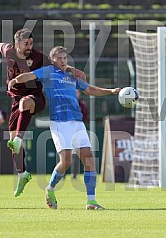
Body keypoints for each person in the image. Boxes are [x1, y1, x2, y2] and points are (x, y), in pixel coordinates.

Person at [0, 28, 86, 197]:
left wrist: (72, 70)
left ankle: (19, 138)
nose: (29, 46)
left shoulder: (39, 57)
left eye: (31, 43)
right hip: (16, 100)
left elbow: (58, 63)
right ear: (16, 43)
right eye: (26, 43)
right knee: (13, 145)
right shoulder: (8, 50)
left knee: (25, 104)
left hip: (36, 98)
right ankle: (22, 174)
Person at [8, 46, 121, 210]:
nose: (63, 61)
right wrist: (16, 80)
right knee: (66, 161)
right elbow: (31, 75)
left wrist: (110, 91)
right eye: (59, 58)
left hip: (77, 122)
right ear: (53, 60)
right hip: (60, 123)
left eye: (65, 58)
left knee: (88, 159)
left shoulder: (71, 76)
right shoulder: (48, 71)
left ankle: (91, 201)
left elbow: (89, 89)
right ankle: (50, 189)